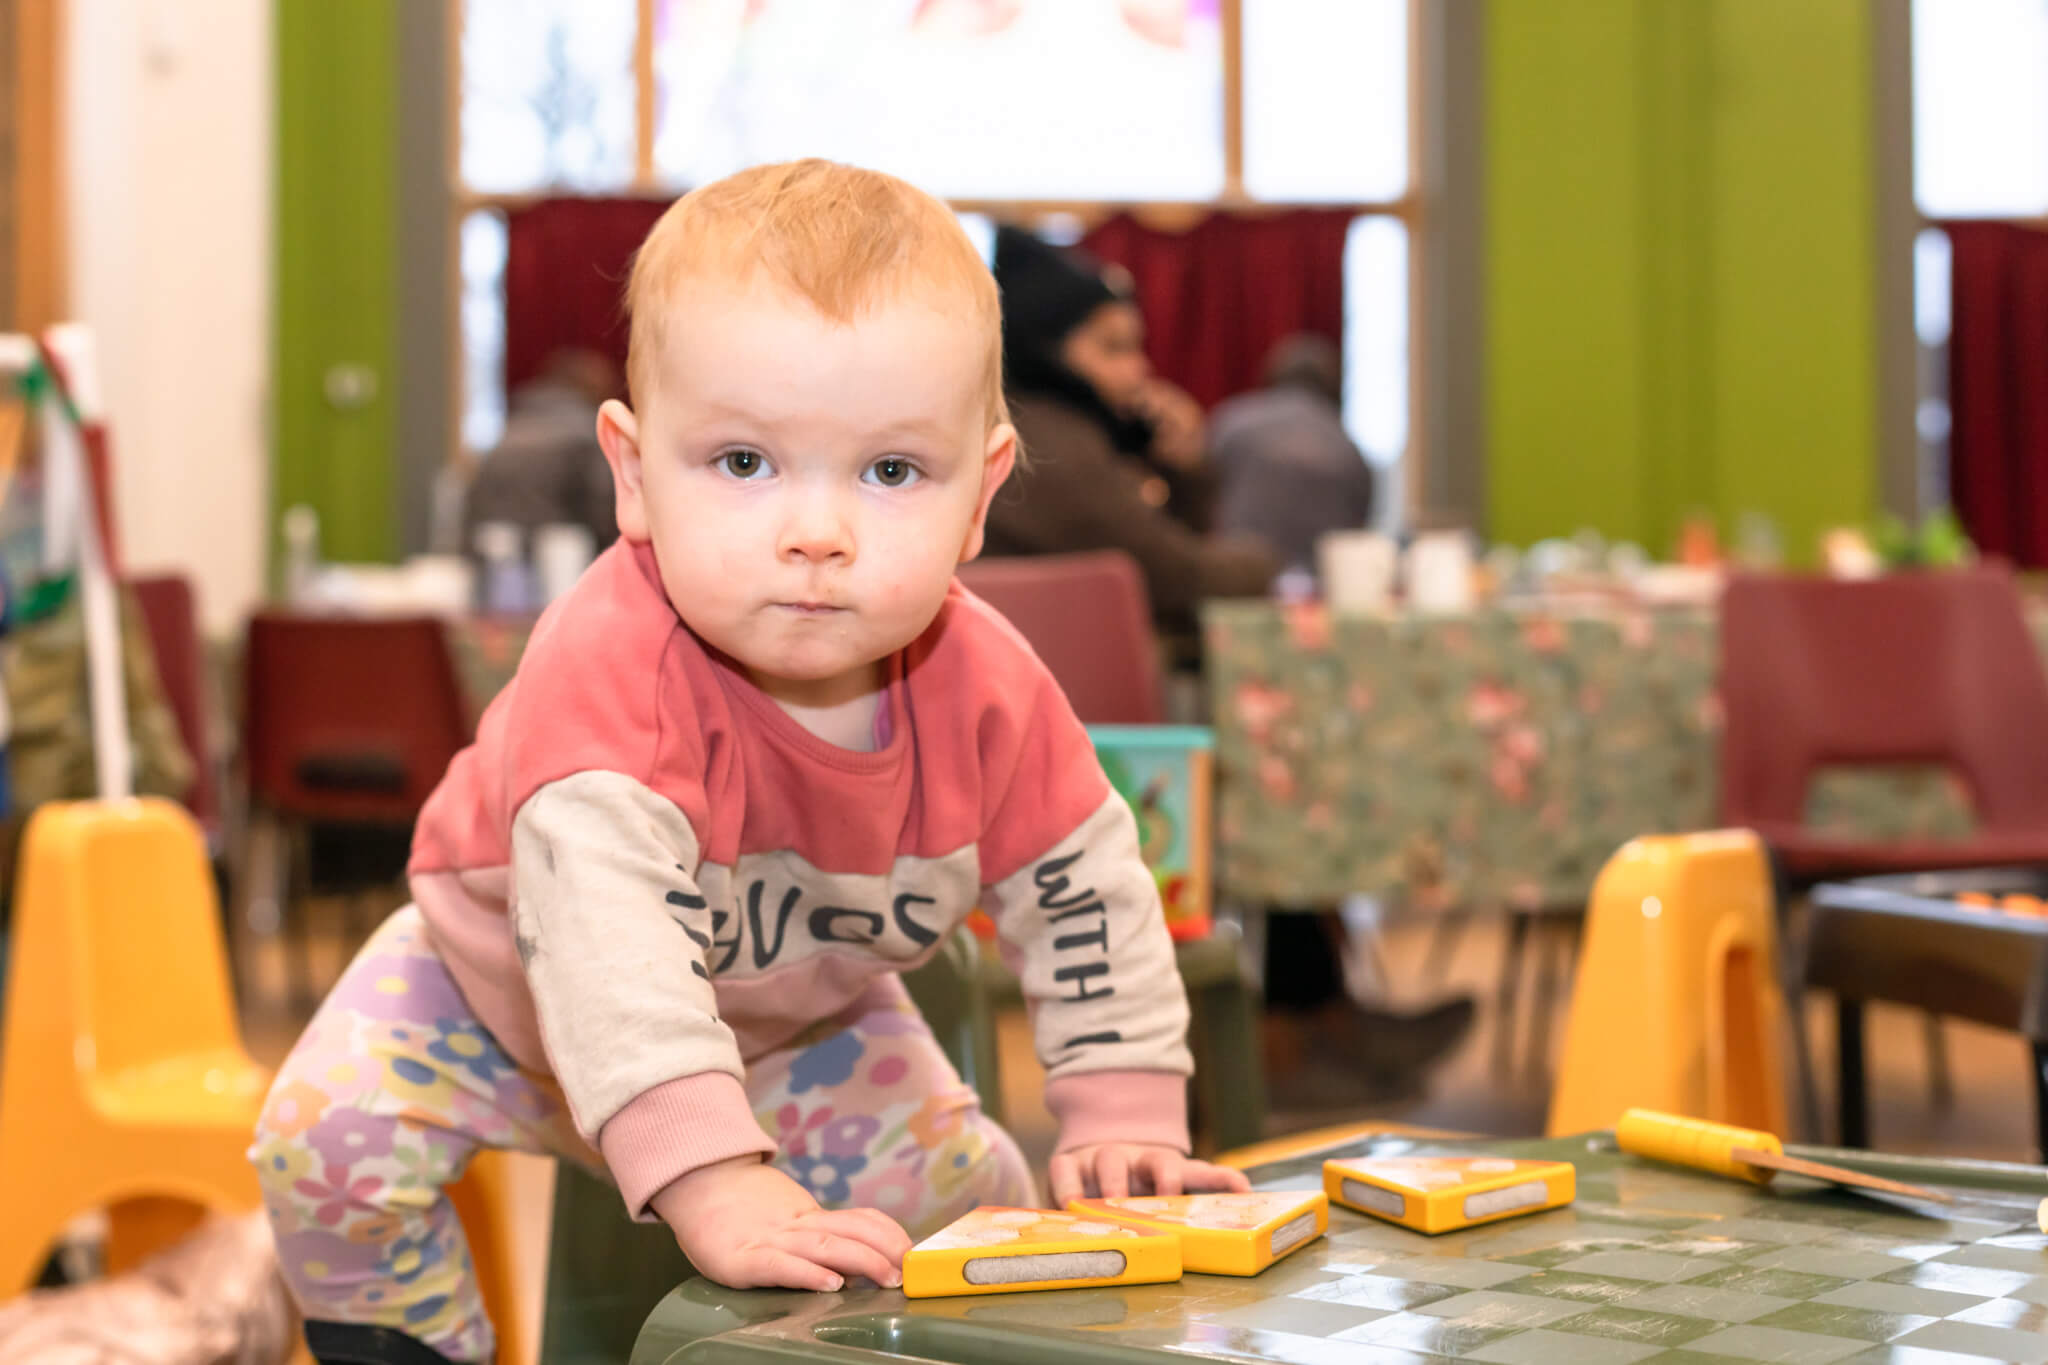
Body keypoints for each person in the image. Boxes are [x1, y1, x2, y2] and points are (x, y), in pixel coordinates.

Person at [248, 160, 1247, 1365]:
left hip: (791, 1026)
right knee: (322, 1146)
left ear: (978, 497)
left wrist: (1123, 1105)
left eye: (890, 472)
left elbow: (1084, 885)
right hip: (485, 989)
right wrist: (711, 1175)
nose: (814, 535)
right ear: (633, 476)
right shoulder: (610, 668)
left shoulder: (987, 689)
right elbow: (609, 950)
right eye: (741, 464)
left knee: (970, 1208)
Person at [981, 225, 1276, 658]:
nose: (1139, 370)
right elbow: (1185, 579)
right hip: (1057, 685)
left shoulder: (1034, 427)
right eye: (1115, 348)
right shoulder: (1054, 450)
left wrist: (1180, 467)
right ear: (1043, 349)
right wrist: (1270, 562)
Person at [1208, 333, 1377, 574]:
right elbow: (1359, 525)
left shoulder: (1231, 423)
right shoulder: (1348, 447)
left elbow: (1203, 501)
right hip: (1319, 581)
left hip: (1239, 574)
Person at [460, 347, 623, 568]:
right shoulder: (587, 431)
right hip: (557, 559)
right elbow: (604, 507)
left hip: (490, 556)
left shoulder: (512, 426)